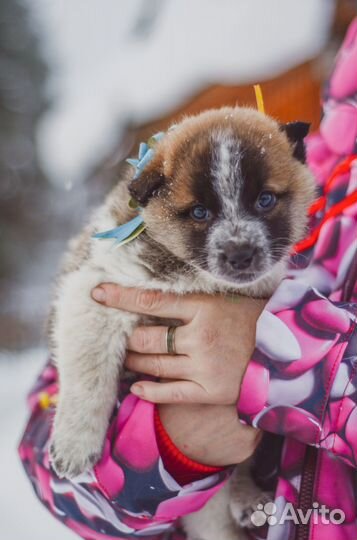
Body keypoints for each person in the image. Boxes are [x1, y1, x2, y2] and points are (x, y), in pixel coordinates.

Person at [19, 19, 357, 540]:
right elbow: (53, 455)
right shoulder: (332, 147)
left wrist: (278, 361)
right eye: (200, 214)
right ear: (152, 200)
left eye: (265, 202)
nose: (240, 242)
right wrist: (169, 447)